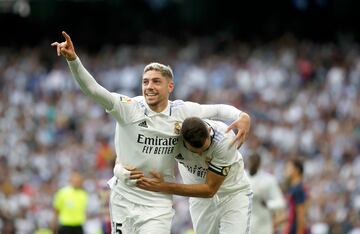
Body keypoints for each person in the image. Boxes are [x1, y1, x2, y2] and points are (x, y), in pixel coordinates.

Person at [51, 31, 251, 234]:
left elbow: (217, 110)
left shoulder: (182, 112)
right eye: (145, 81)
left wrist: (242, 116)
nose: (149, 87)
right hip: (124, 198)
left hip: (158, 202)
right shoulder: (128, 108)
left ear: (170, 86)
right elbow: (93, 89)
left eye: (156, 81)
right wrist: (74, 61)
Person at [136, 117, 253, 234]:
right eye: (195, 151)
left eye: (205, 149)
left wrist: (164, 187)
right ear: (183, 141)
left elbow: (210, 190)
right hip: (200, 199)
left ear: (208, 131)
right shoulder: (170, 138)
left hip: (233, 195)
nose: (201, 155)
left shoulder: (225, 141)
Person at [247, 153, 286, 234]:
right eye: (251, 161)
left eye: (255, 161)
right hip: (246, 224)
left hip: (264, 225)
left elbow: (281, 202)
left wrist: (268, 204)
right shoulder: (242, 177)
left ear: (259, 163)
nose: (252, 164)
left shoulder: (268, 180)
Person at [282, 158, 309, 234]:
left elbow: (301, 216)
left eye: (288, 167)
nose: (286, 170)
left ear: (296, 170)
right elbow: (289, 212)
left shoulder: (299, 189)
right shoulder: (292, 188)